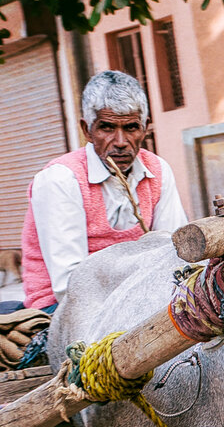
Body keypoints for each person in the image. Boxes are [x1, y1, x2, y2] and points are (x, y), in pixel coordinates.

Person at [20, 70, 188, 312]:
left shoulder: (158, 170)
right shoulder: (61, 179)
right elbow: (70, 285)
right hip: (62, 308)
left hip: (143, 298)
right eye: (107, 128)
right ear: (87, 130)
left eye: (131, 128)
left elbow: (173, 253)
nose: (120, 142)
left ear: (145, 128)